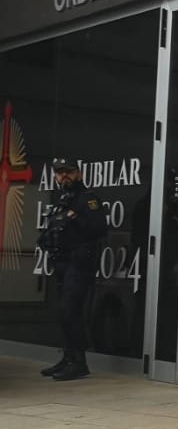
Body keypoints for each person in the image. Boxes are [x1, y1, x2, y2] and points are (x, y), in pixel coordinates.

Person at [38, 158, 107, 381]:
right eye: (59, 173)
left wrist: (74, 217)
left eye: (68, 172)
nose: (63, 176)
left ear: (78, 173)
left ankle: (79, 362)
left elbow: (99, 229)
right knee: (64, 314)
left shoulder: (88, 199)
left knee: (70, 311)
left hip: (80, 262)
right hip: (62, 262)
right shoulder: (63, 199)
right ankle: (69, 357)